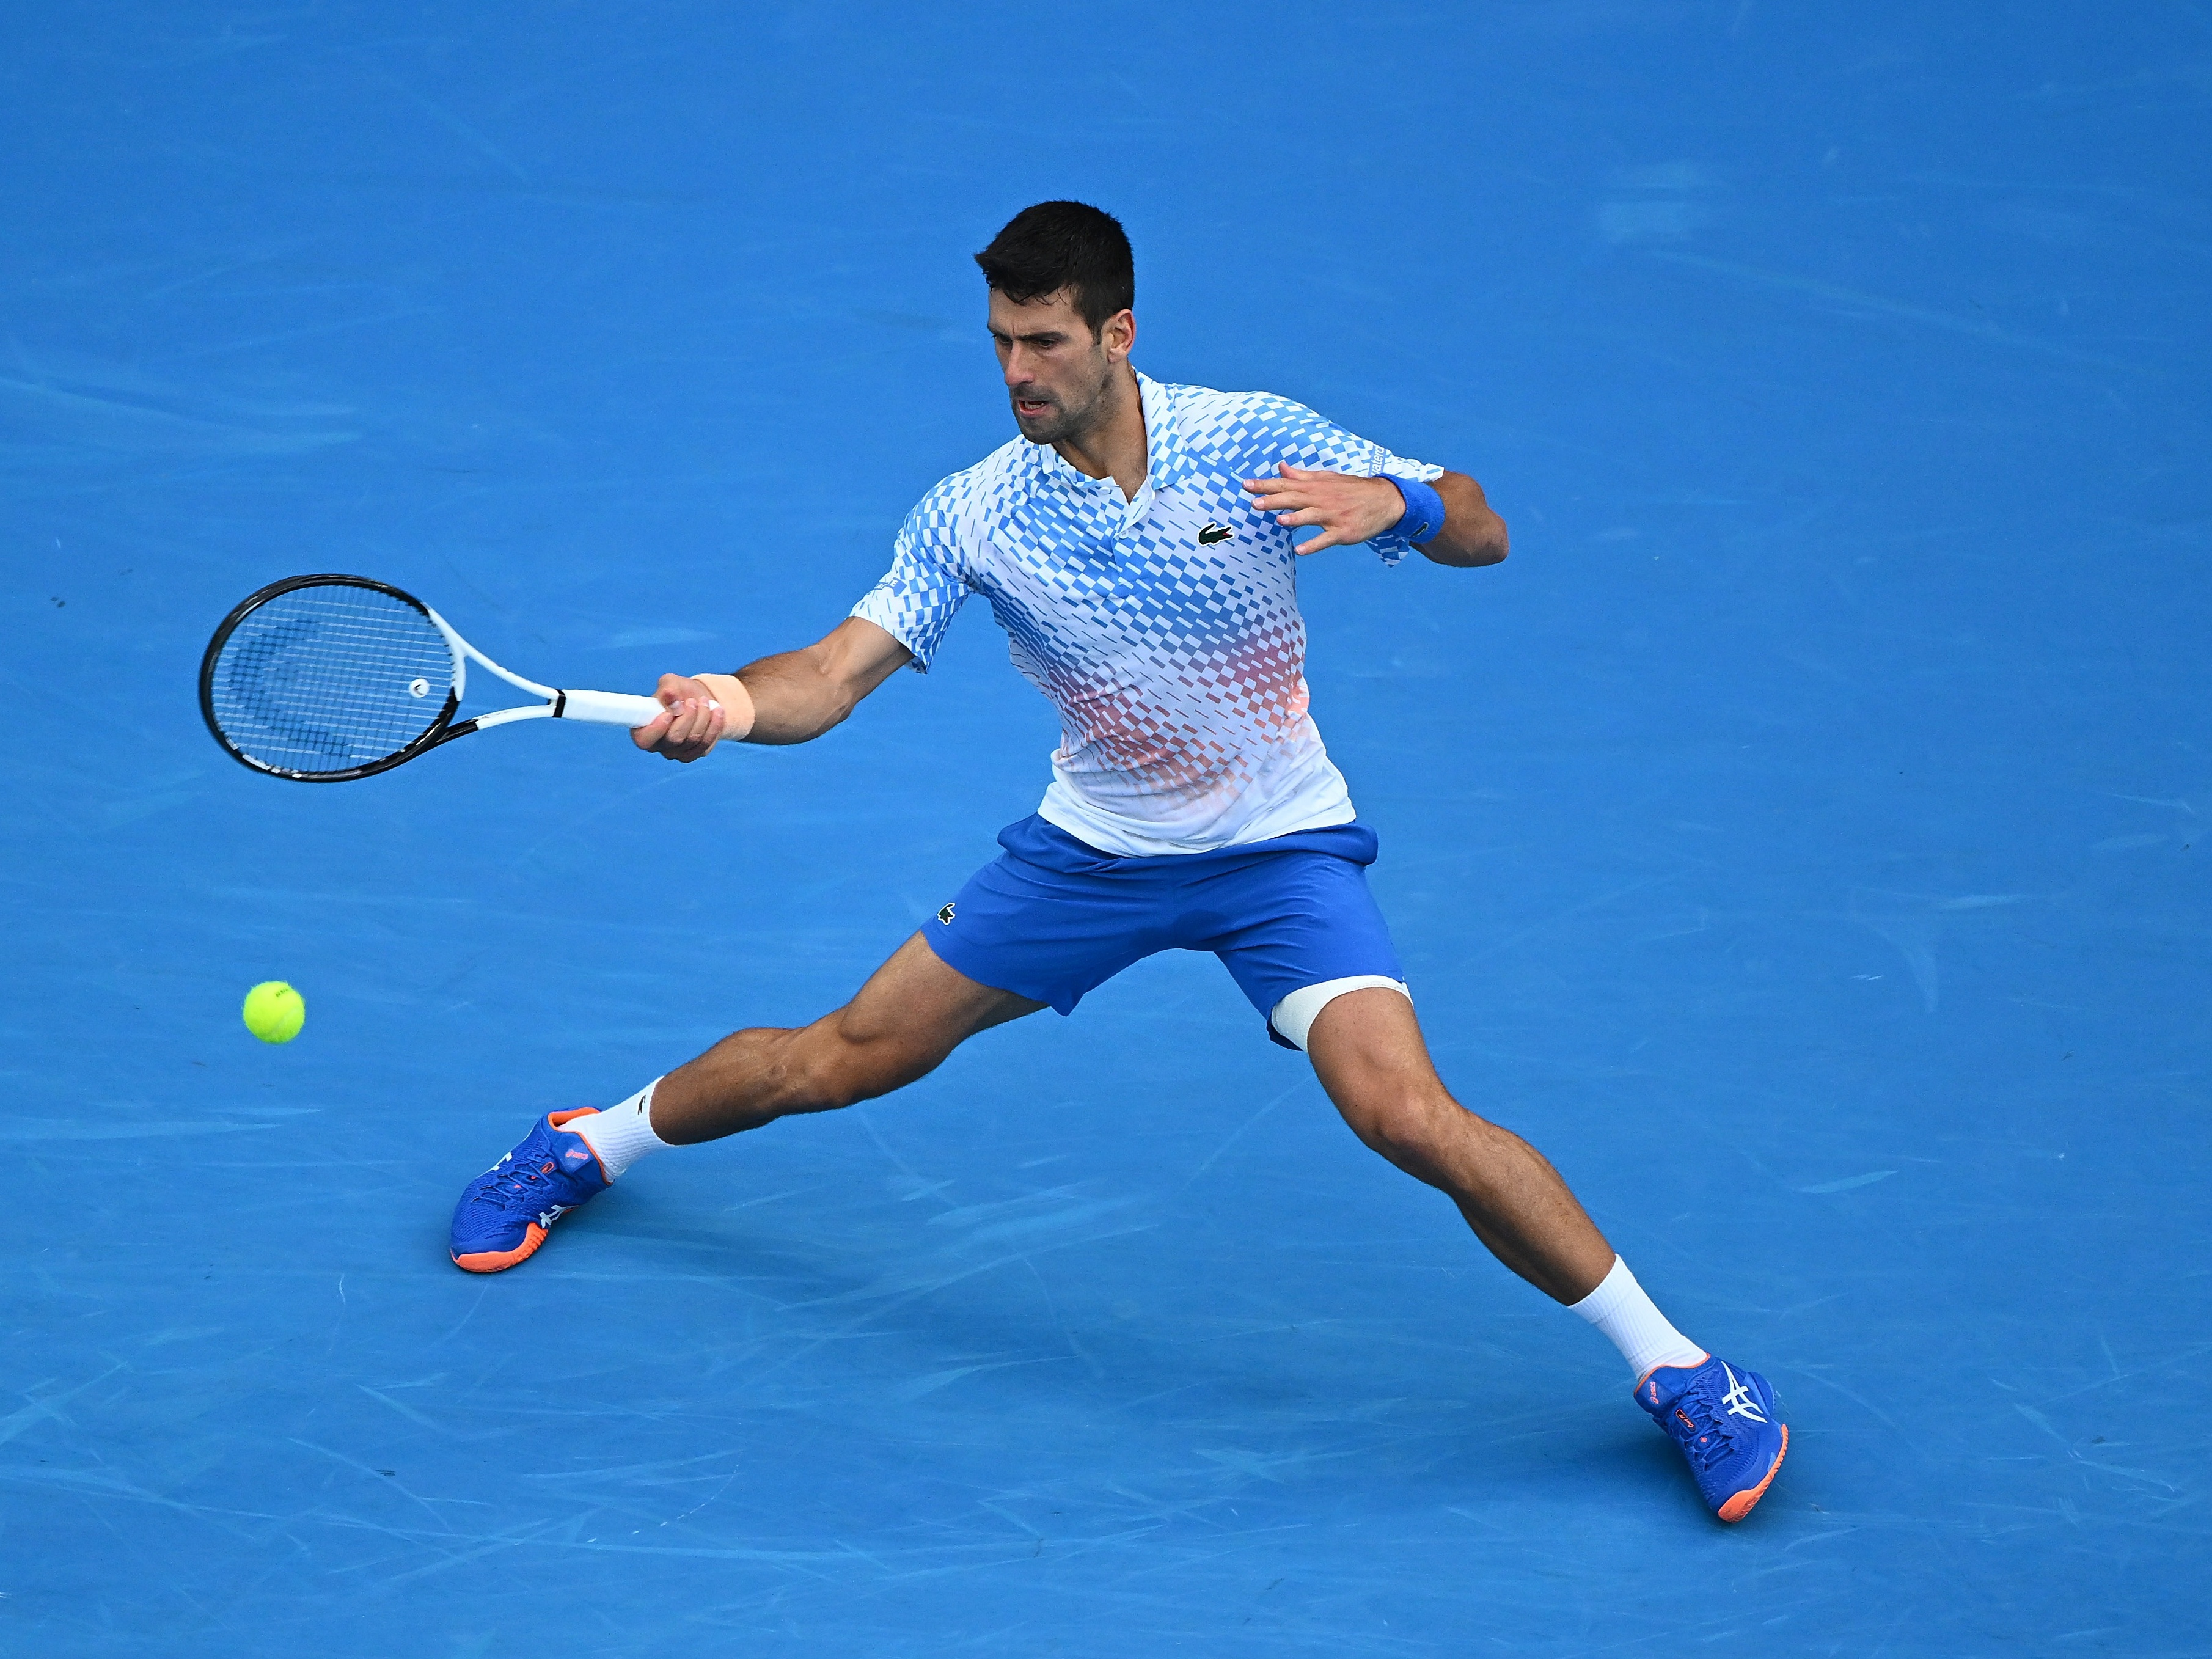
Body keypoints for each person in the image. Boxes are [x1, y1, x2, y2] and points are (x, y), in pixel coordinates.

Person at [447, 201, 1788, 1522]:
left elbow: (1483, 524)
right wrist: (732, 708)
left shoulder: (1251, 440)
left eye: (1041, 341)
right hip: (1092, 857)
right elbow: (829, 673)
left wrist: (1401, 501)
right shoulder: (975, 511)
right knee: (843, 1054)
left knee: (1403, 1114)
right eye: (997, 343)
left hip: (1277, 854)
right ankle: (587, 1141)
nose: (1017, 371)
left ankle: (1685, 1371)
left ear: (1118, 332)